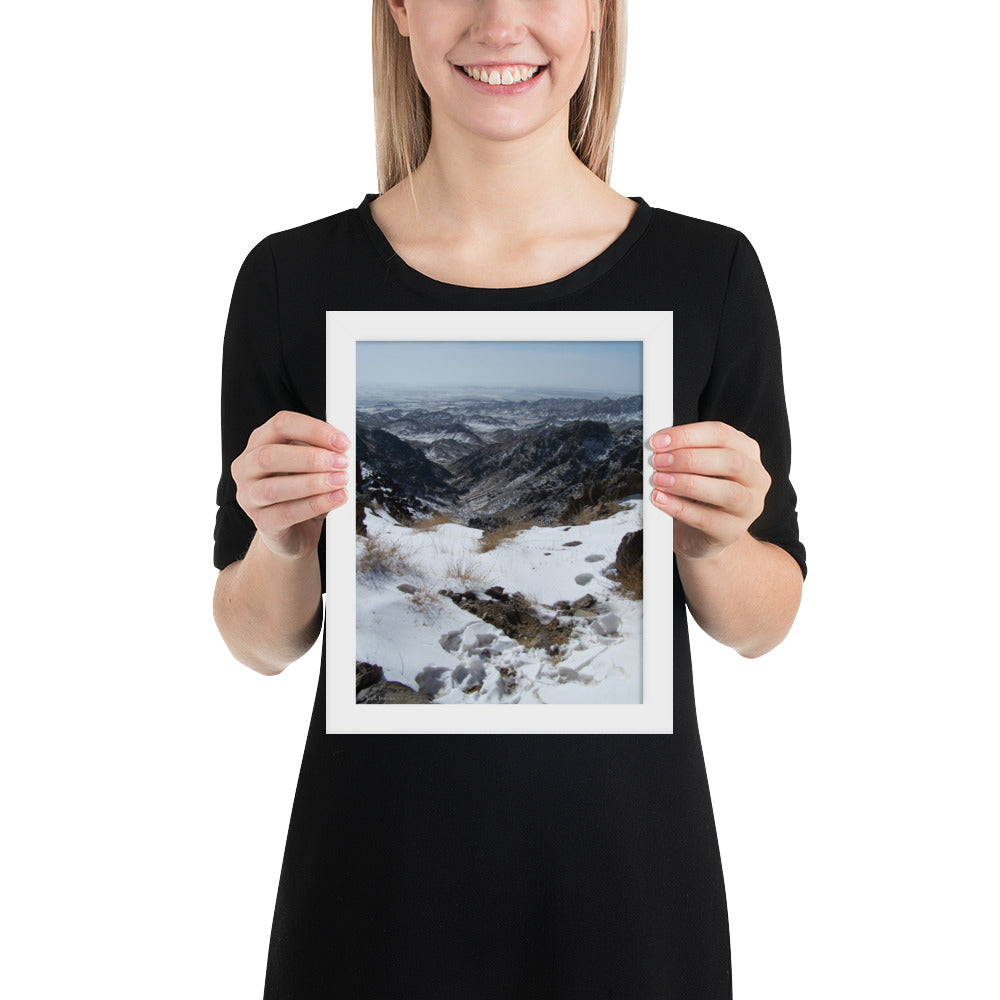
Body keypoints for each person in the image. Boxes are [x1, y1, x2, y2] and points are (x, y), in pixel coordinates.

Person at [213, 1, 806, 996]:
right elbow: (260, 641)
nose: (501, 21)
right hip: (372, 900)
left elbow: (763, 623)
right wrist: (280, 543)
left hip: (628, 901)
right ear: (400, 10)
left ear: (599, 15)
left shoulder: (711, 275)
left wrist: (715, 541)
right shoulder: (290, 279)